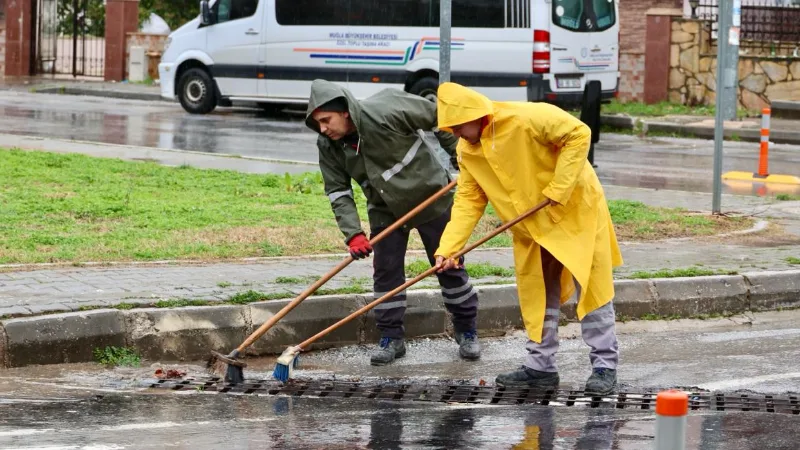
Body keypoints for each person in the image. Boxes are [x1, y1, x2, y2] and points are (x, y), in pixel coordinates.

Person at [432, 82, 623, 395]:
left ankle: (604, 367)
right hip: (531, 227)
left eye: (457, 126)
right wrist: (449, 248)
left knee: (592, 289)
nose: (455, 134)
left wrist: (558, 189)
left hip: (575, 214)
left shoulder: (527, 118)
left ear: (476, 114)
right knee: (537, 293)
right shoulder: (468, 150)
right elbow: (468, 199)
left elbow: (579, 133)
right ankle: (540, 367)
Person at [305, 79, 481, 366]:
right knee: (386, 274)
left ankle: (467, 331)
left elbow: (441, 118)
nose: (323, 128)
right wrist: (353, 234)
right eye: (318, 123)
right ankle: (391, 339)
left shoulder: (388, 107)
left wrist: (462, 159)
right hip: (384, 209)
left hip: (431, 196)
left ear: (345, 111)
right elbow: (338, 191)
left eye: (326, 120)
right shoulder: (328, 145)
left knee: (448, 264)